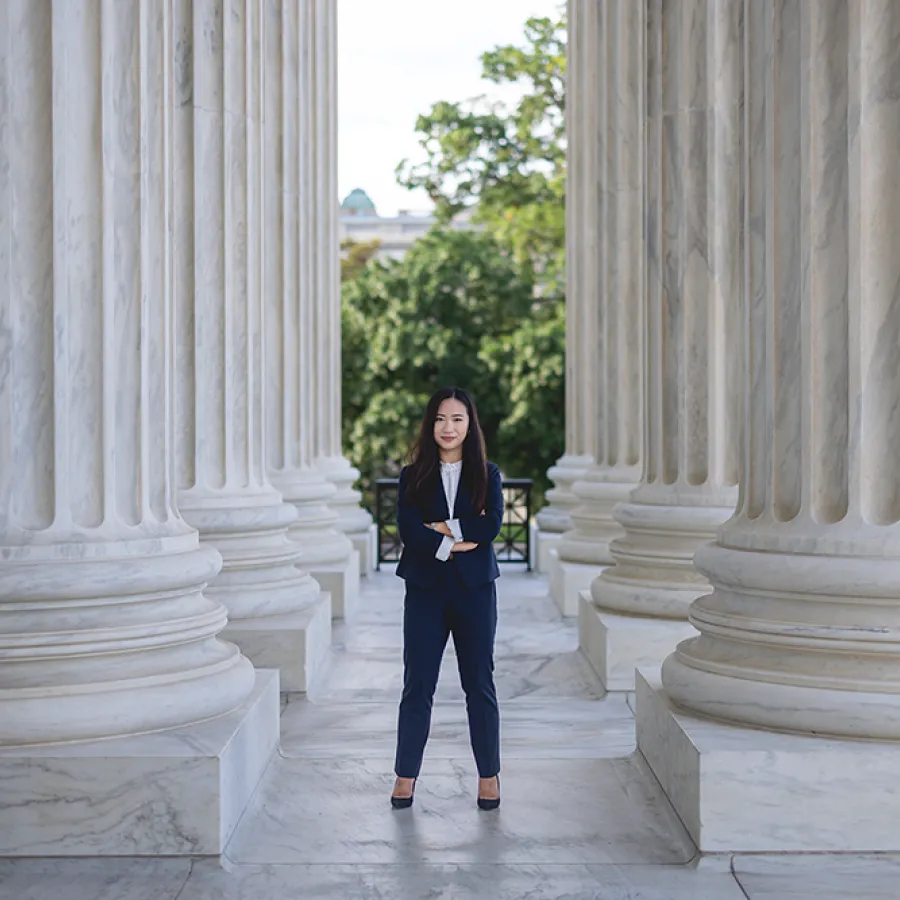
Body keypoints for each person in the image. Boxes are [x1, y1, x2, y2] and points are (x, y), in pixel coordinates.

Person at [391, 386, 503, 811]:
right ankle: (405, 775)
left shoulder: (487, 474)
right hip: (424, 592)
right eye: (440, 419)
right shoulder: (412, 474)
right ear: (430, 424)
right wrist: (452, 541)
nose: (448, 427)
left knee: (480, 684)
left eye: (457, 419)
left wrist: (441, 529)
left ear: (469, 424)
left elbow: (490, 525)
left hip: (475, 591)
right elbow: (408, 528)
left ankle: (489, 775)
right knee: (418, 685)